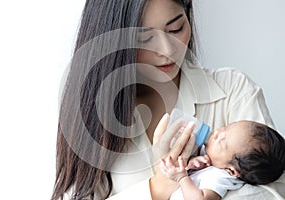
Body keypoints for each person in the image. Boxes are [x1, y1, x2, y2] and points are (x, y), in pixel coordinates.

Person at [51, 0, 285, 199]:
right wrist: (161, 185)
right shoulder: (92, 114)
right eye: (144, 38)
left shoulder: (233, 89)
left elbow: (274, 190)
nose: (167, 50)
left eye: (176, 29)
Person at [160, 120, 285, 200]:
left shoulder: (221, 177)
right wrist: (191, 164)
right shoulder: (213, 163)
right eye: (225, 128)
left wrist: (182, 177)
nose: (216, 133)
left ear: (231, 170)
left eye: (222, 142)